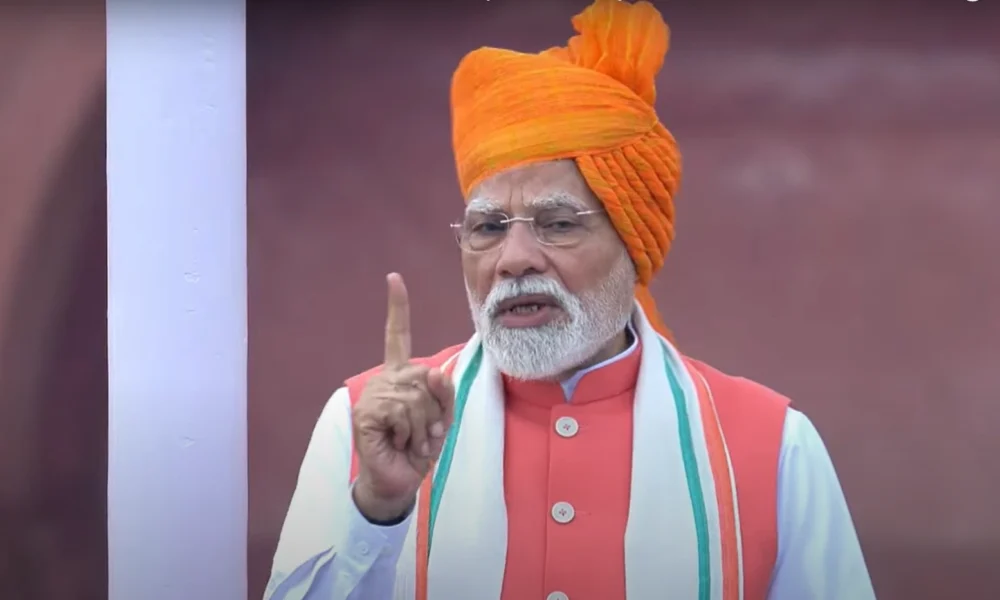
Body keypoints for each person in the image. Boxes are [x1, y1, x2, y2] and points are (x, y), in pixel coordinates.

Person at [264, 1, 876, 599]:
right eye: (488, 227)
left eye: (557, 223)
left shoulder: (774, 446)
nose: (514, 258)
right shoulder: (364, 423)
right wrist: (377, 510)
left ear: (633, 243)